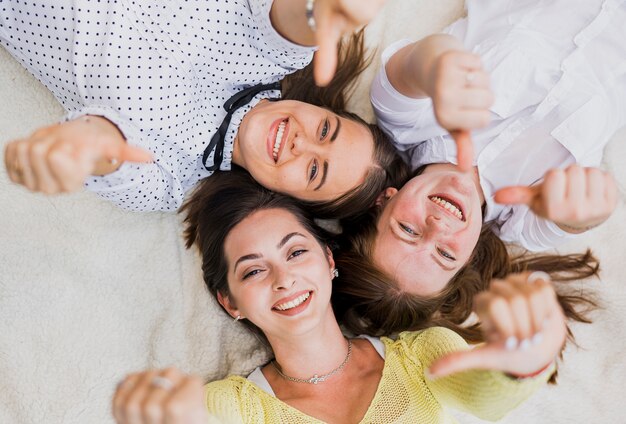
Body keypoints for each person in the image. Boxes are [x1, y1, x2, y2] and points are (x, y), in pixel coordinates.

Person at [111, 172, 567, 423]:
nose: (283, 278)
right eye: (252, 269)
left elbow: (485, 398)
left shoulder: (418, 357)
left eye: (296, 251)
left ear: (329, 260)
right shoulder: (236, 408)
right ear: (230, 302)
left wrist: (525, 359)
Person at [329, 0, 619, 334]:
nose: (438, 227)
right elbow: (583, 217)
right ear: (467, 259)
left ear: (384, 200)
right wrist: (586, 209)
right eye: (444, 254)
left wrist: (437, 67)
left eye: (408, 230)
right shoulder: (524, 223)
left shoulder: (406, 121)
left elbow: (417, 64)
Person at [1, 0, 406, 217]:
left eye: (315, 171)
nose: (303, 143)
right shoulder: (274, 54)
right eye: (325, 131)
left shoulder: (170, 178)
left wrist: (83, 144)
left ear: (282, 195)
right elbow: (297, 19)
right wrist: (326, 9)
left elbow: (108, 147)